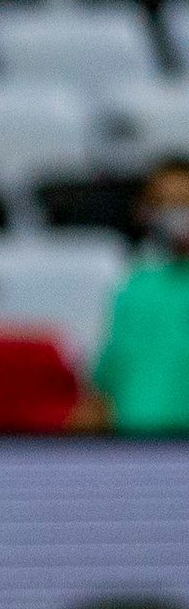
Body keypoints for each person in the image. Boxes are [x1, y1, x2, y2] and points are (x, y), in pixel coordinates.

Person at [94, 155, 189, 435]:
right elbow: (106, 382)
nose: (179, 214)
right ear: (146, 210)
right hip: (135, 450)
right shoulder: (133, 286)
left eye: (186, 203)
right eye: (167, 204)